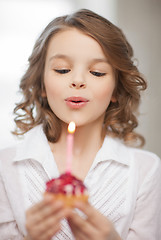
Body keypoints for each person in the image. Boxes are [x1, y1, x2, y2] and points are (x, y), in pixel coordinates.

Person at [0, 8, 160, 240]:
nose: (77, 81)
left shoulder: (145, 170)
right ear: (42, 83)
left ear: (116, 89)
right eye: (62, 70)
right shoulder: (5, 167)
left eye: (96, 72)